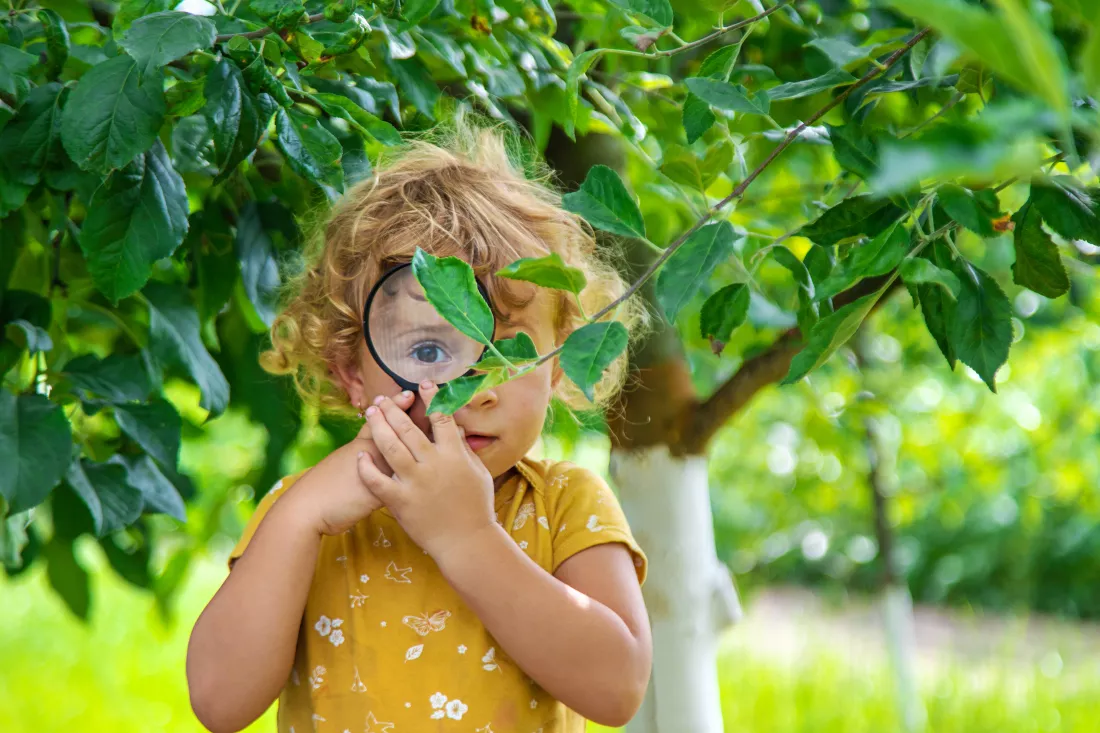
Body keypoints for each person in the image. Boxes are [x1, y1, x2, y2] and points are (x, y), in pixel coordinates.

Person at [186, 114, 653, 733]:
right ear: (353, 372)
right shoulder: (305, 513)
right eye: (430, 350)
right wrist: (298, 519)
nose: (476, 389)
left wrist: (467, 537)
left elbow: (617, 689)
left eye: (511, 352)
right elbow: (219, 703)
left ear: (560, 362)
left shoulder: (565, 505)